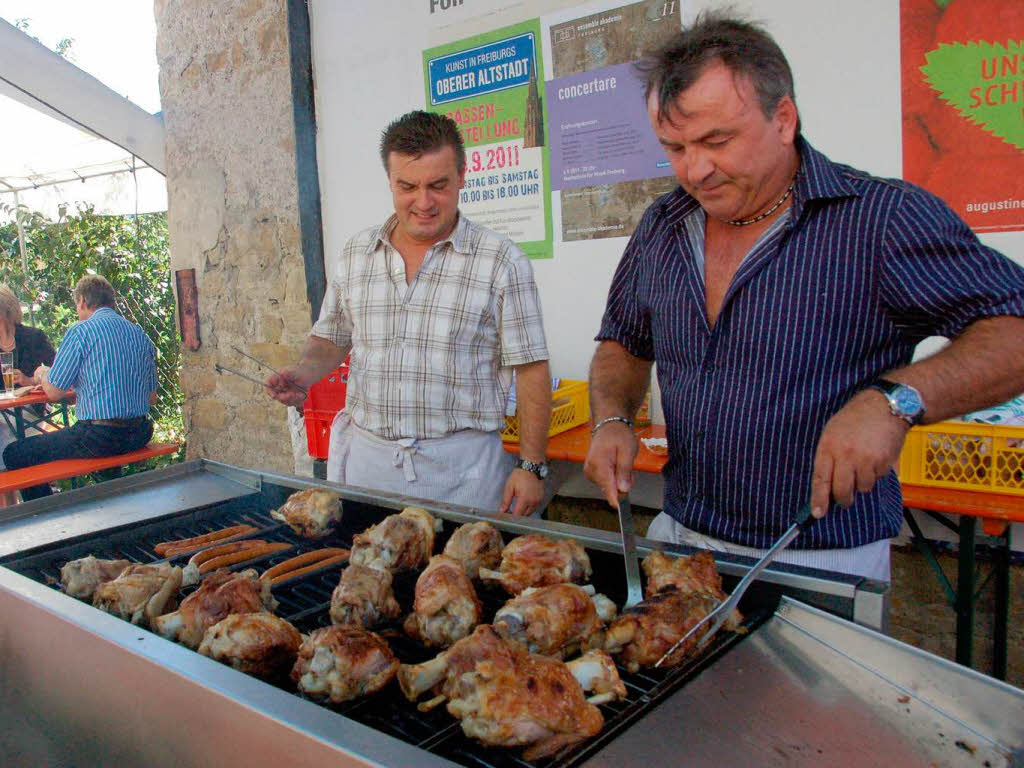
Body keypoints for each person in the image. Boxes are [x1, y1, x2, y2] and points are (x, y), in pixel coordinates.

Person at [584, 12, 1024, 580]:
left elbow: (1014, 326)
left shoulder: (879, 219)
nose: (695, 170)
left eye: (717, 140)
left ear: (784, 119)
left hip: (822, 557)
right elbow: (623, 340)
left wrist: (896, 401)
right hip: (681, 538)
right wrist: (610, 419)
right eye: (674, 147)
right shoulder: (663, 225)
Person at [266, 110, 552, 515]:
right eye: (408, 186)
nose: (424, 202)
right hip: (369, 468)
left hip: (463, 475)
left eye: (438, 185)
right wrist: (304, 372)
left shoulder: (501, 261)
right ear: (390, 182)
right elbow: (332, 337)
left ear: (462, 176)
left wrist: (531, 465)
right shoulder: (357, 254)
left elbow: (531, 368)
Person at [2, 275, 158, 502]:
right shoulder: (138, 334)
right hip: (139, 433)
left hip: (100, 436)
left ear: (83, 301)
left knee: (15, 453)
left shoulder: (81, 332)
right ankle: (113, 503)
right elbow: (151, 398)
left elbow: (54, 392)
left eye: (76, 305)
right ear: (111, 302)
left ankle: (45, 513)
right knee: (94, 443)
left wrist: (42, 374)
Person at [0, 284, 56, 505]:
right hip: (4, 413)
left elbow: (59, 372)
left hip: (30, 410)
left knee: (10, 436)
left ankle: (23, 507)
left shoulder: (33, 337)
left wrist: (30, 380)